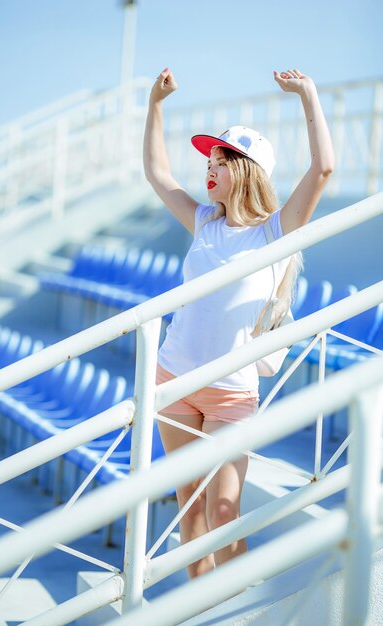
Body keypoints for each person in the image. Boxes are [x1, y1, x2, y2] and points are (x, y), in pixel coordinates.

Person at [143, 67, 334, 579]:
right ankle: (198, 606)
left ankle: (236, 609)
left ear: (248, 172)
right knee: (189, 504)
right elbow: (159, 175)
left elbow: (322, 170)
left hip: (230, 392)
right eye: (210, 158)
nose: (211, 167)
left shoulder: (276, 232)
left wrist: (307, 94)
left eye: (224, 160)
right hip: (174, 379)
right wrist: (154, 105)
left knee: (224, 512)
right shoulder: (204, 220)